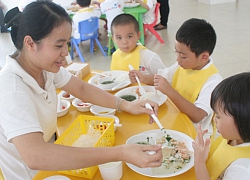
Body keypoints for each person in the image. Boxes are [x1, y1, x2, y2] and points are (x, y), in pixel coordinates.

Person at [0, 1, 163, 179]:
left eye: (67, 44)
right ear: (30, 43)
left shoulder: (43, 66)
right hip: (33, 174)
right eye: (58, 45)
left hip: (53, 160)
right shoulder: (12, 90)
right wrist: (121, 153)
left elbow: (80, 88)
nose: (65, 53)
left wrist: (125, 105)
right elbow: (35, 155)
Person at [129, 18, 222, 139]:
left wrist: (169, 90)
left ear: (204, 57)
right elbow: (161, 76)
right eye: (176, 52)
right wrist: (144, 78)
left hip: (195, 134)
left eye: (183, 56)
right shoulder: (182, 65)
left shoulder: (213, 81)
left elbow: (197, 115)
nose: (178, 59)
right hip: (175, 118)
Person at [192, 72, 250, 180]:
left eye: (218, 116)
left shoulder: (242, 170)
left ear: (242, 119)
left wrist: (199, 161)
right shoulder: (235, 136)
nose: (214, 119)